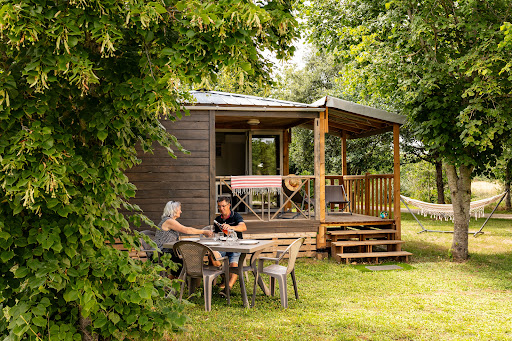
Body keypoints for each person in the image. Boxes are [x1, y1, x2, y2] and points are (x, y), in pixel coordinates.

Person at [154, 200, 213, 277]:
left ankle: (178, 283)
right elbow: (187, 230)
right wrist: (204, 231)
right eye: (179, 209)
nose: (181, 212)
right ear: (174, 210)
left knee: (190, 262)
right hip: (162, 253)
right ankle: (176, 284)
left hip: (168, 252)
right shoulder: (169, 221)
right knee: (189, 265)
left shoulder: (169, 220)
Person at [211, 196, 247, 292]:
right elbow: (216, 235)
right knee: (212, 254)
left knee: (234, 265)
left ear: (229, 205)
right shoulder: (217, 220)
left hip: (235, 246)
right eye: (219, 206)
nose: (221, 209)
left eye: (223, 206)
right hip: (222, 246)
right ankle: (225, 275)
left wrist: (231, 227)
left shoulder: (236, 216)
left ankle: (228, 287)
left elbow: (243, 227)